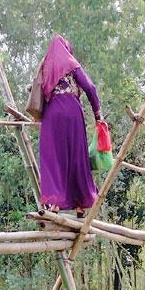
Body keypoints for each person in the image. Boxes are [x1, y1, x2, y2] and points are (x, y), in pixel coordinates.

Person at [36, 35, 102, 214]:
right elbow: (90, 88)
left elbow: (38, 89)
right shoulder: (71, 64)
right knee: (76, 156)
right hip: (72, 113)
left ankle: (55, 204)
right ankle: (80, 206)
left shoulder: (45, 66)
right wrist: (98, 114)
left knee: (53, 159)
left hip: (52, 116)